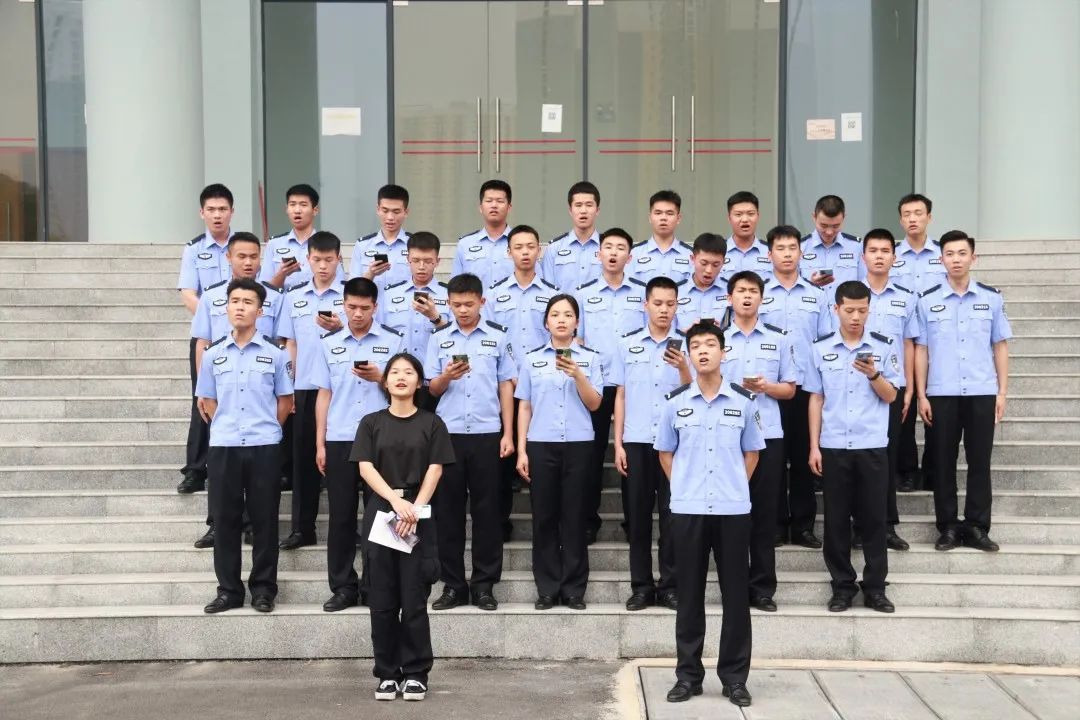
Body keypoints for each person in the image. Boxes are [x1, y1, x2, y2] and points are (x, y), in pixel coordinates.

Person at [655, 321, 763, 708]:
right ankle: (688, 676)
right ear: (689, 354)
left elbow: (752, 453)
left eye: (710, 344)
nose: (703, 351)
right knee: (688, 595)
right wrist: (686, 486)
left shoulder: (744, 401)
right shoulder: (675, 402)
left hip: (733, 510)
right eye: (696, 346)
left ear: (723, 352)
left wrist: (732, 486)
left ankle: (735, 678)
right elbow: (665, 453)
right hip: (688, 510)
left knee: (735, 596)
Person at [352, 353, 455, 702]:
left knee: (413, 597)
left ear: (418, 382)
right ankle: (386, 673)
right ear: (385, 382)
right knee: (381, 597)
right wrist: (395, 503)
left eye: (408, 372)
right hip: (382, 511)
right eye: (394, 372)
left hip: (417, 512)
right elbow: (365, 467)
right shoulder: (370, 422)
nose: (400, 377)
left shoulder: (432, 423)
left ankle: (415, 673)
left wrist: (414, 508)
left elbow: (436, 468)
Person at [196, 278, 294, 614]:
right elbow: (208, 401)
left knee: (265, 520)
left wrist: (265, 428)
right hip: (224, 446)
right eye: (234, 301)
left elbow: (285, 401)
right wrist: (228, 426)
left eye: (248, 302)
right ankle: (229, 591)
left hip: (264, 446)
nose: (240, 307)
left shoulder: (275, 354)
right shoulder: (212, 354)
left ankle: (263, 590)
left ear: (260, 311)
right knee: (225, 521)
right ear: (226, 307)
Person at [805, 280, 900, 614]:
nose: (856, 317)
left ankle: (875, 588)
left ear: (869, 310)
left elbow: (892, 396)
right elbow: (816, 398)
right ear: (836, 309)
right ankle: (842, 586)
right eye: (849, 310)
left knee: (874, 519)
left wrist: (874, 375)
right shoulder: (820, 348)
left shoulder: (883, 346)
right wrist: (814, 446)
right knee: (835, 521)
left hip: (871, 445)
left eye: (862, 310)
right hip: (833, 445)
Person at [915, 230, 1011, 553]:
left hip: (982, 391)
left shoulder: (991, 298)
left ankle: (977, 526)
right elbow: (921, 350)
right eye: (949, 254)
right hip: (941, 393)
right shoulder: (927, 300)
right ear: (941, 259)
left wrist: (1002, 392)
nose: (956, 259)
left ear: (973, 258)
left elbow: (1000, 346)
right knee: (942, 461)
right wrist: (921, 394)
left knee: (979, 461)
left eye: (962, 253)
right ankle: (948, 527)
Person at [424, 273, 516, 611]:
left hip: (487, 432)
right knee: (448, 513)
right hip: (448, 435)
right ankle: (453, 585)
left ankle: (484, 585)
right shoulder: (439, 338)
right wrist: (446, 377)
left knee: (487, 512)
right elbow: (431, 389)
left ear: (482, 302)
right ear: (448, 304)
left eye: (469, 304)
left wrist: (508, 433)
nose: (463, 310)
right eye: (456, 304)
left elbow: (506, 385)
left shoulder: (497, 336)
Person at [313, 277, 403, 611]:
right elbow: (324, 394)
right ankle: (343, 586)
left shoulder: (394, 340)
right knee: (341, 515)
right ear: (343, 305)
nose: (358, 313)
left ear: (375, 307)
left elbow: (407, 388)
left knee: (385, 513)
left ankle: (380, 584)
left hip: (383, 440)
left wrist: (382, 378)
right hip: (340, 438)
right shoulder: (329, 343)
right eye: (351, 307)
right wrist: (320, 443)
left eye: (365, 308)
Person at [189, 232, 284, 548]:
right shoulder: (212, 296)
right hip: (222, 381)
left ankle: (252, 525)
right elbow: (202, 341)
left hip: (259, 388)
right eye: (241, 256)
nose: (248, 262)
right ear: (228, 257)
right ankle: (217, 524)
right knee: (220, 467)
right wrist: (204, 389)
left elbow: (282, 344)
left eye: (254, 256)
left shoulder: (274, 297)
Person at [515, 295, 603, 610]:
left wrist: (578, 374)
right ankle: (548, 588)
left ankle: (574, 589)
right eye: (555, 314)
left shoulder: (590, 358)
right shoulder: (531, 359)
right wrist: (522, 449)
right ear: (546, 322)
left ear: (577, 322)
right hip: (541, 443)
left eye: (568, 314)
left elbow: (595, 403)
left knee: (575, 517)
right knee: (545, 517)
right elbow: (524, 406)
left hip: (579, 444)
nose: (562, 319)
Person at [611, 276, 691, 611]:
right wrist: (618, 444)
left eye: (670, 304)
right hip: (637, 440)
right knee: (639, 518)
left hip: (675, 444)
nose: (663, 310)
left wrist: (683, 367)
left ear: (677, 305)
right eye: (657, 303)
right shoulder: (627, 343)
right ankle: (641, 587)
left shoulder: (687, 345)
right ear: (645, 304)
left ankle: (670, 586)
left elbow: (695, 390)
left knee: (672, 517)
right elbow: (621, 394)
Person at [722, 270, 797, 611]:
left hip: (768, 435)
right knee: (732, 514)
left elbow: (790, 389)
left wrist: (767, 387)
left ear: (762, 298)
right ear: (730, 298)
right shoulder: (718, 339)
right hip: (728, 437)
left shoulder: (778, 338)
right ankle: (735, 586)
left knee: (765, 514)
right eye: (741, 291)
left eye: (753, 291)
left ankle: (763, 588)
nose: (747, 296)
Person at [484, 224, 558, 541]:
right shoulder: (494, 294)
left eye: (530, 246)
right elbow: (491, 337)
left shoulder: (552, 294)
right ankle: (501, 523)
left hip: (543, 386)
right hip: (507, 383)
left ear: (539, 250)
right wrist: (511, 372)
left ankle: (547, 526)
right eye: (519, 247)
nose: (525, 252)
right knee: (504, 456)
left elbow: (559, 339)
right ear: (509, 252)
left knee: (541, 454)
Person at [761, 225, 833, 549]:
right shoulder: (759, 293)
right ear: (769, 254)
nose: (787, 254)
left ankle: (803, 526)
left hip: (806, 387)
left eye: (792, 248)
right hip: (770, 389)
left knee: (804, 457)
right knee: (773, 459)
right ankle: (776, 524)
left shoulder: (816, 295)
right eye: (780, 248)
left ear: (801, 253)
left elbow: (825, 341)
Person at [573, 228, 646, 544]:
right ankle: (588, 521)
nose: (614, 252)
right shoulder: (584, 293)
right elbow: (578, 341)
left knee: (633, 453)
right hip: (597, 385)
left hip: (633, 384)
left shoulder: (642, 293)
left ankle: (634, 522)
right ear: (598, 253)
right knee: (591, 455)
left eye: (620, 248)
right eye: (608, 247)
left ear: (630, 257)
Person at [277, 231, 347, 550]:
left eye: (328, 260)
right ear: (307, 259)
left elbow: (363, 332)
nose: (322, 266)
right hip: (305, 386)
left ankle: (347, 528)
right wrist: (289, 385)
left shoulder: (350, 294)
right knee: (304, 460)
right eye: (317, 259)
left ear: (339, 259)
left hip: (341, 386)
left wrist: (340, 326)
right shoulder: (294, 296)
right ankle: (302, 528)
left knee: (344, 460)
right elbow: (290, 343)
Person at [860, 228, 916, 552]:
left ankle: (887, 525)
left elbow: (909, 344)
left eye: (885, 251)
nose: (879, 256)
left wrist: (909, 389)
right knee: (858, 457)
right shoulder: (851, 294)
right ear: (863, 256)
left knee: (887, 457)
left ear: (894, 258)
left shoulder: (905, 296)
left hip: (892, 387)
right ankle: (859, 525)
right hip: (856, 388)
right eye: (873, 250)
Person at [177, 184, 234, 495]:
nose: (217, 215)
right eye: (211, 210)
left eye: (222, 209)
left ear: (232, 212)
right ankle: (196, 469)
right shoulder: (194, 249)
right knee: (202, 397)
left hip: (243, 337)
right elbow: (188, 294)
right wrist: (215, 318)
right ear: (202, 213)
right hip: (207, 337)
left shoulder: (243, 246)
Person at [892, 193, 945, 492]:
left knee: (935, 406)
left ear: (929, 217)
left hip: (935, 340)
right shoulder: (892, 254)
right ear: (900, 220)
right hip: (901, 340)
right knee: (904, 406)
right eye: (907, 214)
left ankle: (934, 469)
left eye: (918, 213)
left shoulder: (942, 253)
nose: (913, 219)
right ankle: (907, 469)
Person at [375, 231, 451, 362]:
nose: (421, 267)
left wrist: (436, 318)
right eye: (416, 261)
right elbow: (379, 335)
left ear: (437, 262)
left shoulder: (449, 294)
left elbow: (457, 339)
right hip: (398, 370)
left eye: (428, 261)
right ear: (408, 260)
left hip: (435, 370)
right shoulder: (390, 294)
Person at [260, 184, 344, 289]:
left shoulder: (328, 243)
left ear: (315, 210)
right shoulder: (274, 244)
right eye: (292, 204)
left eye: (303, 205)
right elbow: (264, 290)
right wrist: (282, 274)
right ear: (286, 209)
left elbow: (339, 286)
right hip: (283, 299)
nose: (297, 210)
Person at [541, 181, 603, 291]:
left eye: (589, 205)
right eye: (578, 205)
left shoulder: (608, 248)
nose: (583, 211)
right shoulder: (554, 249)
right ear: (570, 210)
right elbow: (547, 291)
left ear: (597, 210)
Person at [799, 195, 864, 300]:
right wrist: (810, 284)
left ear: (844, 218)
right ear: (814, 217)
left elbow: (864, 286)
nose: (829, 232)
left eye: (835, 226)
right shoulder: (799, 247)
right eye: (823, 226)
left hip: (846, 310)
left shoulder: (857, 247)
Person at [350, 184, 413, 292]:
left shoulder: (415, 244)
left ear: (406, 212)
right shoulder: (362, 245)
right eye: (385, 210)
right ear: (378, 209)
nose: (390, 217)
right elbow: (351, 290)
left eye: (396, 212)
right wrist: (371, 274)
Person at [453, 180, 514, 288]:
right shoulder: (465, 244)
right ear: (481, 208)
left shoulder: (522, 242)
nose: (494, 205)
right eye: (489, 201)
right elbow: (455, 286)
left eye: (500, 201)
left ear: (509, 208)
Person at [629, 190, 692, 283]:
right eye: (658, 213)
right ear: (650, 217)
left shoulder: (691, 255)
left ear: (678, 218)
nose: (663, 218)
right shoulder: (633, 253)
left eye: (669, 213)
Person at [675, 233, 730, 331]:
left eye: (716, 265)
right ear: (693, 258)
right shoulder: (675, 291)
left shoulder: (731, 290)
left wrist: (720, 333)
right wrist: (686, 334)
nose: (709, 270)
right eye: (704, 263)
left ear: (723, 262)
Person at [723, 191, 773, 281]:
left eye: (750, 214)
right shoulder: (718, 251)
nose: (745, 219)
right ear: (729, 218)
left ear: (758, 216)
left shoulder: (771, 251)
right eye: (738, 214)